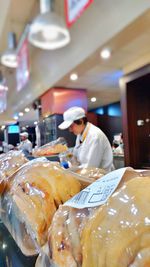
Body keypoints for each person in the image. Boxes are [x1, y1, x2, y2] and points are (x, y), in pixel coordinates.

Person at [58, 106, 113, 172]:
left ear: (81, 121)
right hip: (87, 174)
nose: (70, 130)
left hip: (101, 177)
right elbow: (76, 157)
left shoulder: (94, 136)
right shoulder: (80, 135)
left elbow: (91, 167)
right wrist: (69, 156)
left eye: (71, 126)